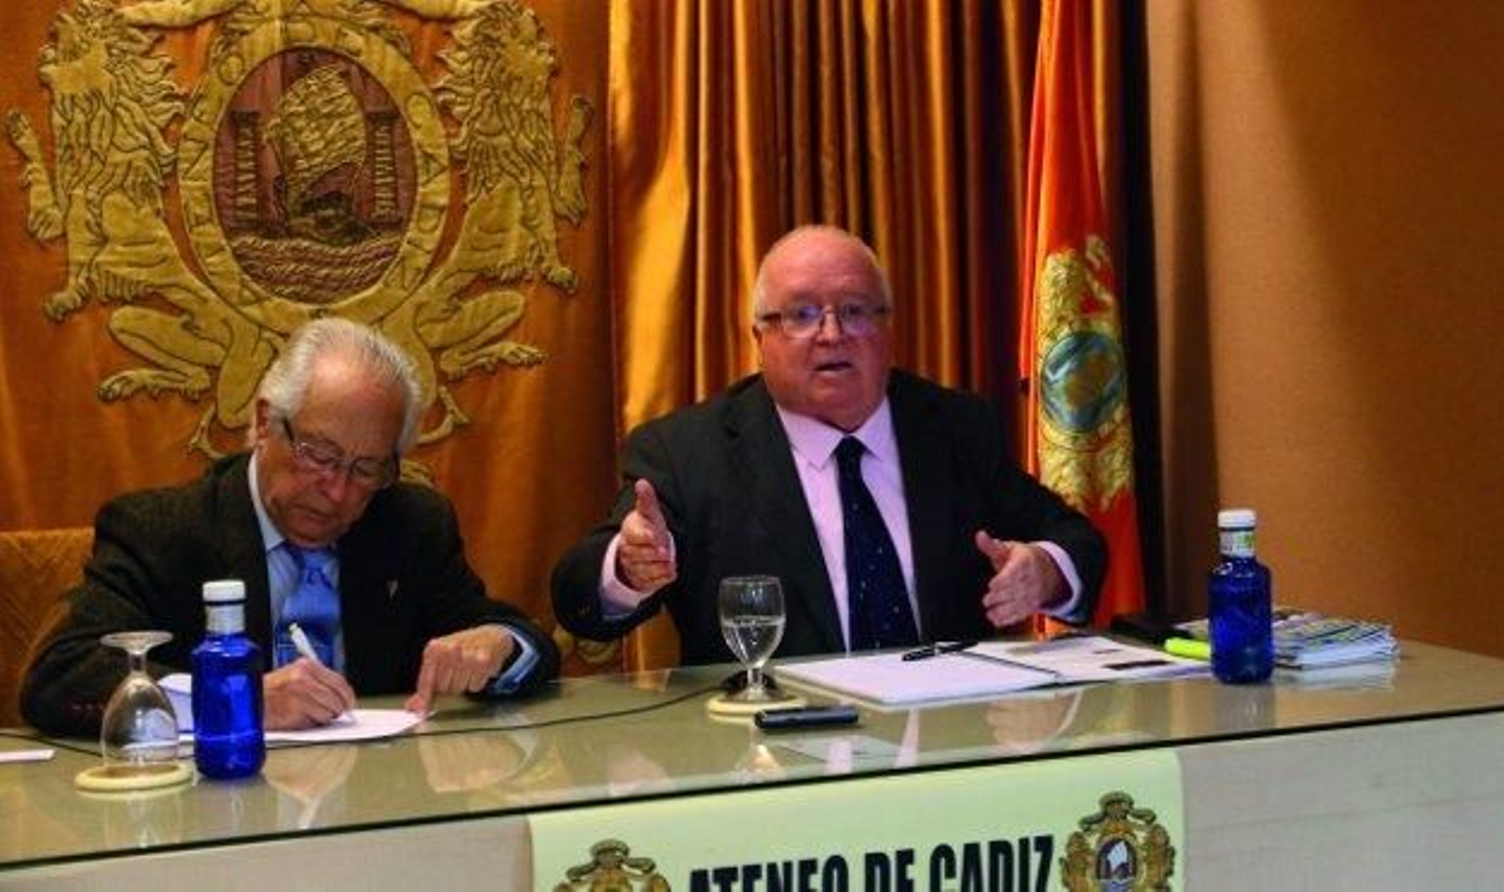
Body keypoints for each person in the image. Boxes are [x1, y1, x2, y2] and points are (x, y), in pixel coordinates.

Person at [553, 226, 1106, 665]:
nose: (832, 333)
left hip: (949, 749)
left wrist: (1045, 568)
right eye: (801, 314)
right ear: (759, 338)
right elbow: (578, 596)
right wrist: (628, 568)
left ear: (887, 329)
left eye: (855, 310)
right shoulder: (686, 452)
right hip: (769, 767)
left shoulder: (952, 426)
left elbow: (1077, 540)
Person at [22, 318, 559, 735]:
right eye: (318, 454)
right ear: (262, 423)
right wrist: (239, 698)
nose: (338, 491)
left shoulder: (410, 525)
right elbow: (61, 677)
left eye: (366, 468)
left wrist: (498, 645)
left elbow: (519, 641)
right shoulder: (163, 530)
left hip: (379, 811)